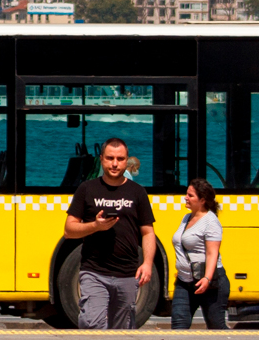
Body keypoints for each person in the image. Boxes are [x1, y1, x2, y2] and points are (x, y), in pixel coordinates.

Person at [64, 138, 157, 329]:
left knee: (122, 332)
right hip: (94, 271)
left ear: (126, 161)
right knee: (93, 325)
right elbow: (69, 230)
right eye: (110, 158)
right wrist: (95, 226)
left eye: (120, 159)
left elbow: (148, 232)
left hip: (127, 274)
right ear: (101, 160)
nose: (115, 163)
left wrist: (147, 264)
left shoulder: (138, 192)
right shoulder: (87, 189)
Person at [170, 178, 226, 329]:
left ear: (202, 200)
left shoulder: (211, 222)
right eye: (186, 194)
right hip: (184, 281)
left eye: (190, 195)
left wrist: (207, 278)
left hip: (209, 282)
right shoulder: (187, 217)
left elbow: (212, 253)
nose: (185, 198)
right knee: (178, 326)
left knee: (217, 327)